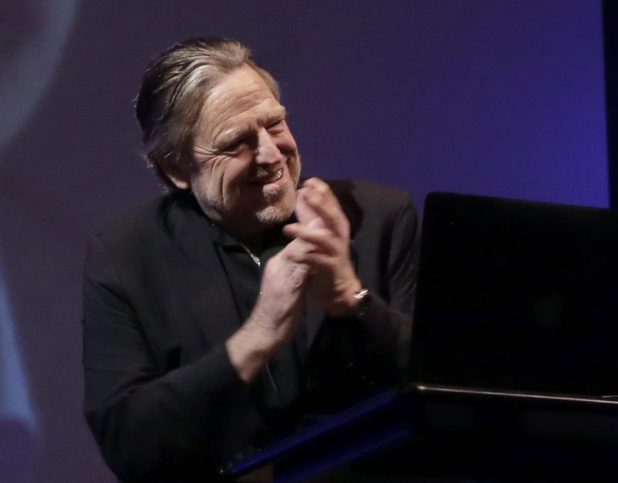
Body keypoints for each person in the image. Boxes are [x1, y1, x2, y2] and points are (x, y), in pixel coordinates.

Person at [82, 37, 418, 482]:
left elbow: (442, 389)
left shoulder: (378, 218)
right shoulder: (126, 258)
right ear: (176, 169)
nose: (271, 155)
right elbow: (129, 447)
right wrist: (257, 338)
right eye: (237, 143)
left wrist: (351, 300)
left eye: (275, 124)